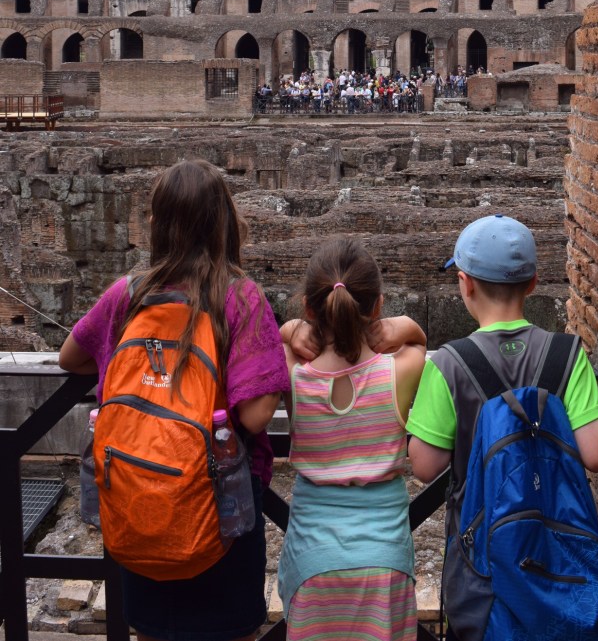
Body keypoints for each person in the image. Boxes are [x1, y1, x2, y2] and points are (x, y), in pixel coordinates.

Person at [59, 159, 290, 641]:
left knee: (151, 632)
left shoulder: (127, 294)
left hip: (141, 502)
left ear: (157, 223)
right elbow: (255, 416)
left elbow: (69, 358)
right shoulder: (239, 298)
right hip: (221, 511)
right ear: (224, 221)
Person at [406, 214, 598, 641]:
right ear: (533, 283)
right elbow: (596, 453)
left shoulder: (448, 364)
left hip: (483, 565)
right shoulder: (567, 355)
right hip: (558, 555)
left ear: (464, 284)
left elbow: (424, 466)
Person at [278, 236, 426, 641]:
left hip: (312, 559)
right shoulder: (400, 370)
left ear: (310, 308)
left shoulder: (293, 370)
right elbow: (418, 340)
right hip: (385, 560)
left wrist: (291, 329)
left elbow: (276, 339)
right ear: (377, 306)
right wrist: (403, 325)